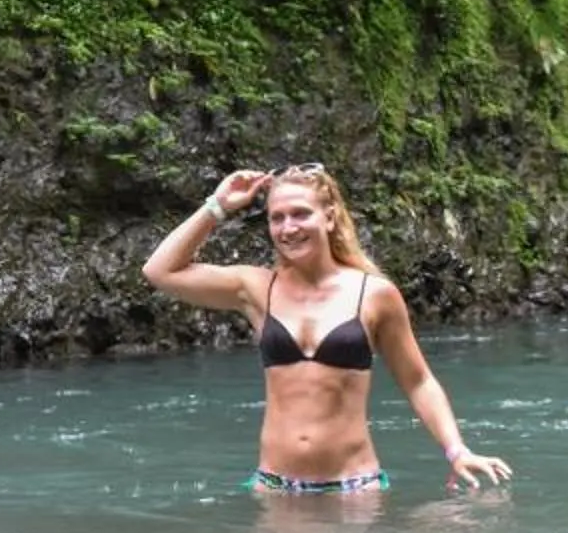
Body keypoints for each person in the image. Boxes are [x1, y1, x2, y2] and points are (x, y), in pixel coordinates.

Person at [141, 163, 512, 494]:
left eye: (301, 214)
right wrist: (217, 207)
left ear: (330, 217)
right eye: (277, 218)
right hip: (275, 488)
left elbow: (418, 381)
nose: (288, 228)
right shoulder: (255, 288)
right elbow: (159, 271)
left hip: (354, 488)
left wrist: (457, 450)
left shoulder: (374, 294)